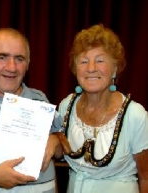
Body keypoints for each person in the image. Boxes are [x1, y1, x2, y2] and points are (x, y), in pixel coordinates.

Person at [0, 28, 63, 193]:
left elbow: (62, 151)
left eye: (19, 59)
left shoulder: (40, 100)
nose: (12, 67)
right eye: (2, 57)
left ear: (28, 64)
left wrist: (56, 140)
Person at [58, 24, 148, 193]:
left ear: (115, 68)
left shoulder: (135, 115)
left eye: (100, 60)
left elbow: (146, 176)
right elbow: (56, 151)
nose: (91, 68)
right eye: (84, 61)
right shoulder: (66, 106)